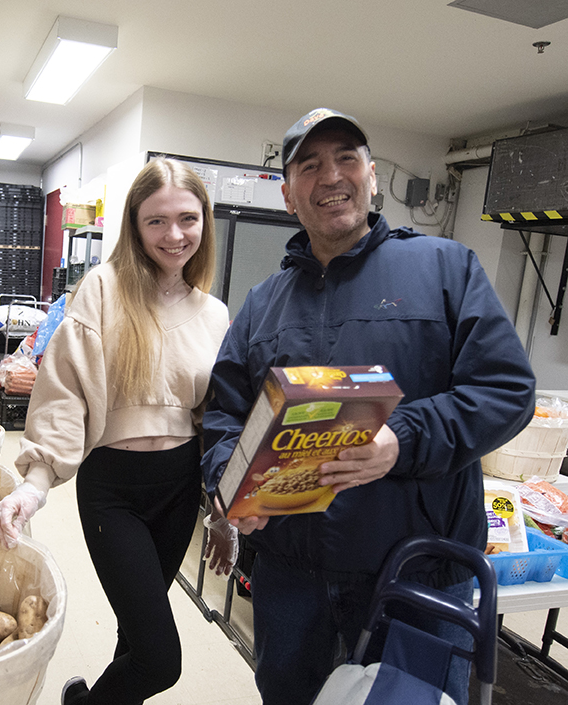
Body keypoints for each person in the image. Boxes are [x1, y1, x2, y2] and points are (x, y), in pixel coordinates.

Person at [201, 108, 536, 705]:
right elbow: (224, 415)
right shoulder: (261, 304)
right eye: (310, 166)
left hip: (418, 579)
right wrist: (231, 488)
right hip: (291, 583)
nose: (332, 176)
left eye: (347, 159)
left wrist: (402, 438)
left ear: (373, 176)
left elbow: (506, 392)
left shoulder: (445, 269)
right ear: (287, 195)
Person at [0, 157, 238, 705]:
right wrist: (35, 482)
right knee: (159, 659)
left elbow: (217, 418)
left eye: (188, 219)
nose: (174, 235)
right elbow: (64, 392)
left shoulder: (215, 314)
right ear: (134, 224)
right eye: (157, 220)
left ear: (205, 223)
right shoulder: (101, 291)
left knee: (134, 633)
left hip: (179, 487)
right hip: (113, 490)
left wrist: (224, 508)